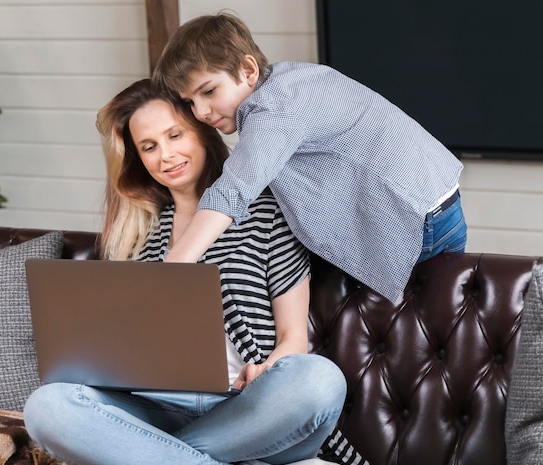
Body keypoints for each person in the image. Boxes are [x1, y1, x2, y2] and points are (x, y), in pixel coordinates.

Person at [23, 79, 358, 465]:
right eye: (148, 147)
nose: (166, 156)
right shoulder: (139, 235)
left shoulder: (268, 211)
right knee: (47, 407)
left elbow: (293, 340)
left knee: (319, 381)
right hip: (160, 407)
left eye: (174, 135)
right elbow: (119, 351)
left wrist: (268, 368)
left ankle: (129, 461)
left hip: (247, 411)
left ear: (202, 130)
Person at [152, 13, 468, 304]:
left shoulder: (274, 110)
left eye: (208, 92)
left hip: (417, 222)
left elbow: (233, 190)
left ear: (247, 70)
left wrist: (168, 272)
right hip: (437, 203)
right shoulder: (292, 79)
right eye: (189, 102)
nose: (201, 112)